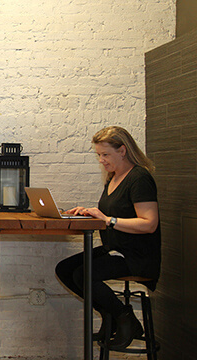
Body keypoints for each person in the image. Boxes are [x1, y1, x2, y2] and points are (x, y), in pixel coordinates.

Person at [55, 126, 161, 350]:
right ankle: (110, 314)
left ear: (122, 150)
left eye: (105, 155)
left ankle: (125, 318)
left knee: (84, 274)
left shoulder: (139, 178)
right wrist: (91, 212)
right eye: (99, 155)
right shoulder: (113, 178)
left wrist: (108, 220)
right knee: (65, 270)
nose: (101, 160)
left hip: (137, 255)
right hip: (115, 249)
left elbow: (149, 223)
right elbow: (114, 213)